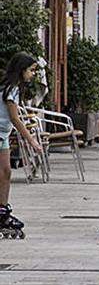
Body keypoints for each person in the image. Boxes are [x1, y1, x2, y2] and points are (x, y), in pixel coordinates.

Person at [0, 53, 41, 237]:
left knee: (6, 172)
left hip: (3, 135)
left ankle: (2, 210)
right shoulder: (10, 89)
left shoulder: (13, 88)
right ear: (21, 70)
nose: (33, 74)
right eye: (31, 70)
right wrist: (31, 140)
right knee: (4, 172)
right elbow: (15, 118)